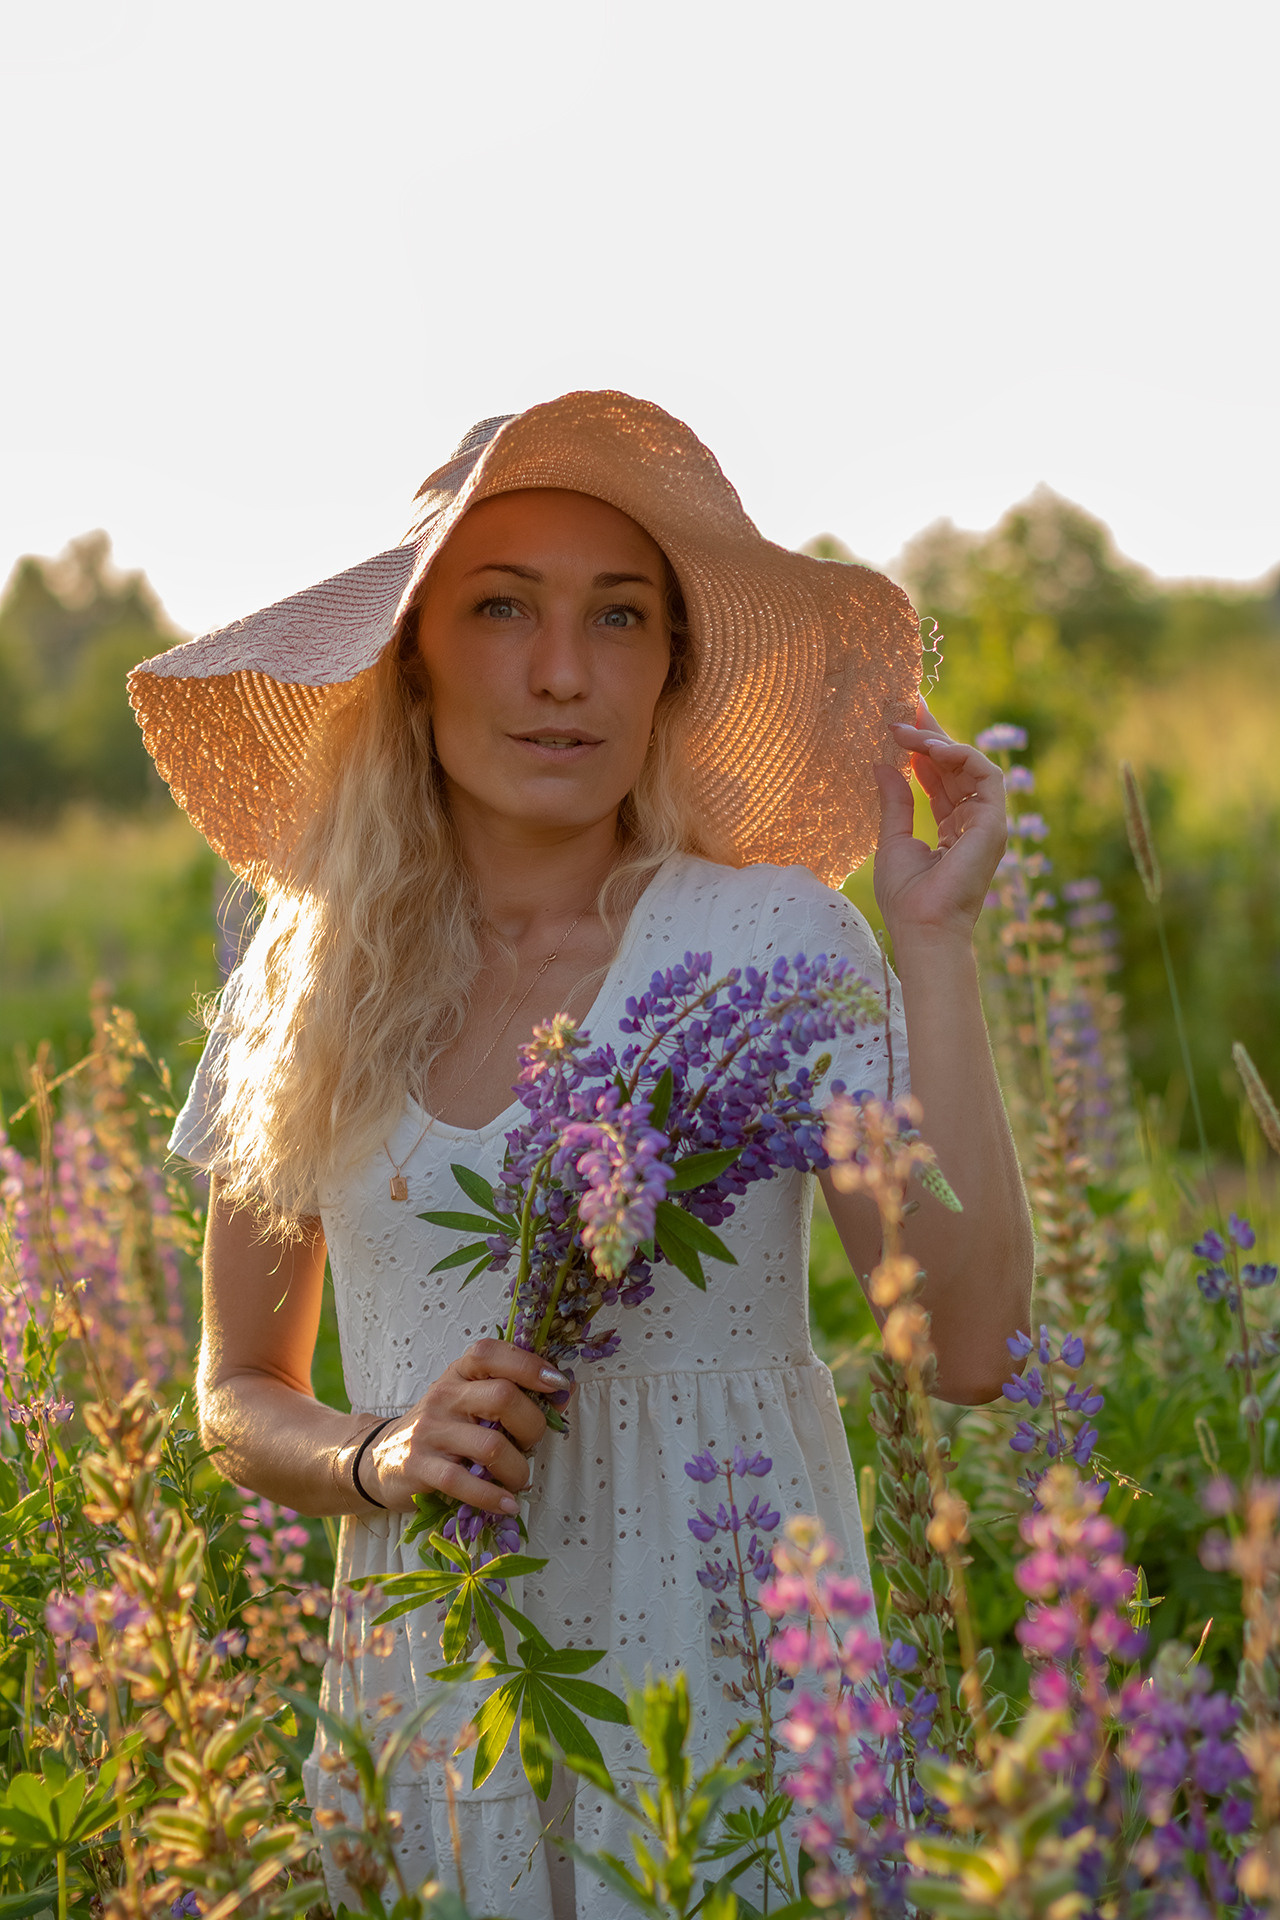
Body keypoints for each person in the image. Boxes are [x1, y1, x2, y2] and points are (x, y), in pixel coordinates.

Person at [131, 391, 1033, 1916]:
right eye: (501, 609)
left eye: (620, 618)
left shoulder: (771, 942)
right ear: (409, 661)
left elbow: (969, 1345)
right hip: (443, 1691)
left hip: (733, 1678)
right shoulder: (308, 979)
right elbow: (237, 1390)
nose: (565, 674)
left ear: (669, 668)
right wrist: (381, 1454)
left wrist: (931, 948)